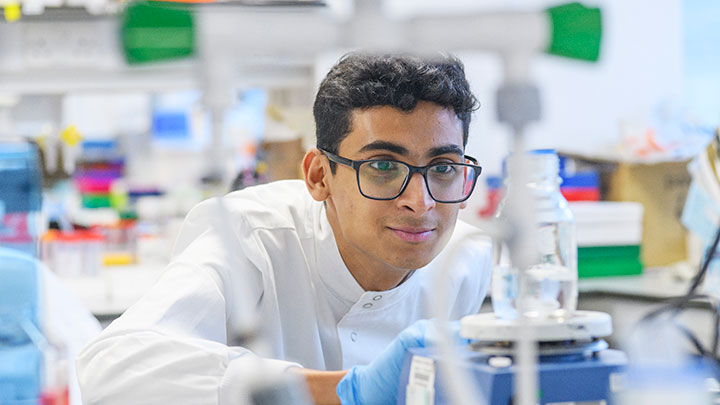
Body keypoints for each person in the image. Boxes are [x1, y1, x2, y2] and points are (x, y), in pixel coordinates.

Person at [76, 52, 492, 405]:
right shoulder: (250, 237)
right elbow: (112, 368)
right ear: (318, 176)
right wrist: (346, 391)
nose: (420, 202)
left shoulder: (465, 259)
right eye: (382, 166)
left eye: (442, 169)